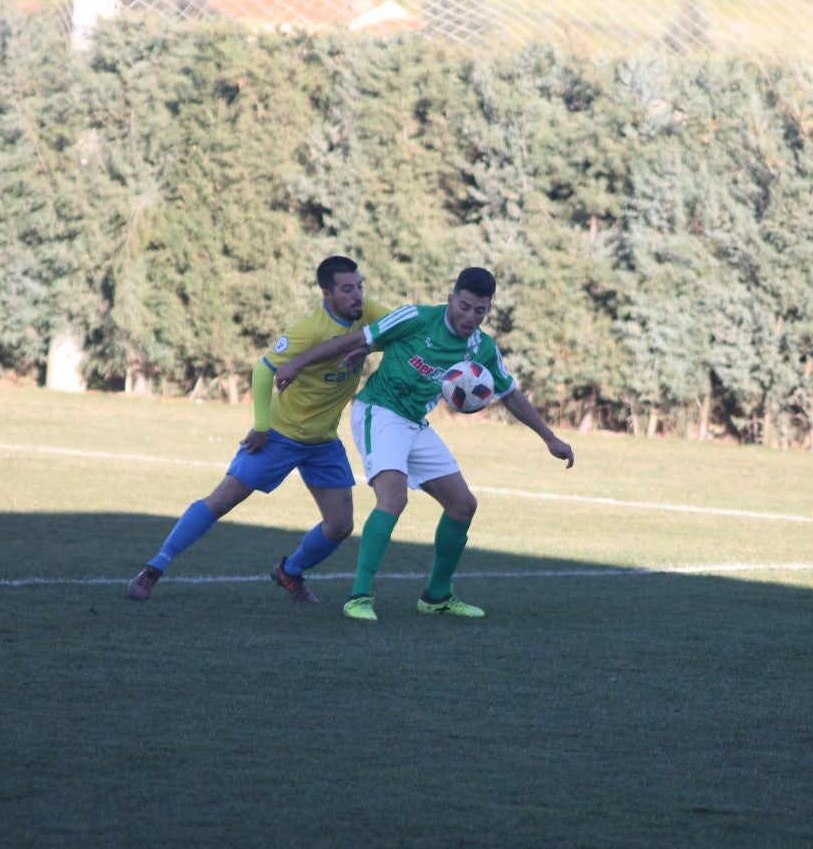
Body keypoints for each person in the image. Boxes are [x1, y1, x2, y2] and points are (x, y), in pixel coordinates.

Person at [275, 266, 574, 621]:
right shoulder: (416, 317)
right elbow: (358, 340)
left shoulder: (483, 348)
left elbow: (509, 394)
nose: (471, 317)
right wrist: (297, 363)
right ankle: (358, 597)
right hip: (380, 411)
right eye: (464, 306)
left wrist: (549, 437)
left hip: (415, 422)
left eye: (480, 311)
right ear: (451, 299)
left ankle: (436, 596)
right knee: (394, 497)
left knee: (463, 505)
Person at [127, 255, 388, 603]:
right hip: (280, 434)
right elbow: (263, 371)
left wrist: (364, 345)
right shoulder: (307, 329)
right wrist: (261, 426)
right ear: (327, 294)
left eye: (359, 286)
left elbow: (402, 330)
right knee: (222, 501)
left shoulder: (366, 312)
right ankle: (154, 567)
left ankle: (289, 572)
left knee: (340, 526)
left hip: (323, 441)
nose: (358, 295)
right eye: (347, 289)